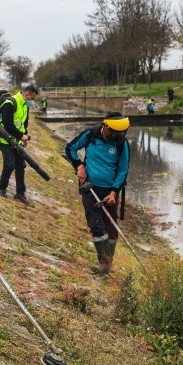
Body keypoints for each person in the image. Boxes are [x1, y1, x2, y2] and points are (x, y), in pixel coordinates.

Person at [63, 112, 130, 274]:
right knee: (96, 225)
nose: (114, 135)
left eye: (118, 132)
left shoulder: (121, 143)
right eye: (112, 131)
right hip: (90, 187)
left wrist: (114, 192)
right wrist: (79, 166)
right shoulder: (90, 135)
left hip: (110, 191)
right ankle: (103, 262)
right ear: (104, 126)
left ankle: (110, 261)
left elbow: (123, 170)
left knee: (111, 228)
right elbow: (70, 148)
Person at [0, 84, 38, 205]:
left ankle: (20, 194)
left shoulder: (25, 105)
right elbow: (8, 125)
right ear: (26, 95)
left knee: (20, 166)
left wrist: (24, 137)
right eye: (32, 98)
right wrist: (21, 135)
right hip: (5, 140)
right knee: (9, 164)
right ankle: (1, 189)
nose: (33, 102)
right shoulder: (10, 103)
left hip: (17, 141)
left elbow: (23, 124)